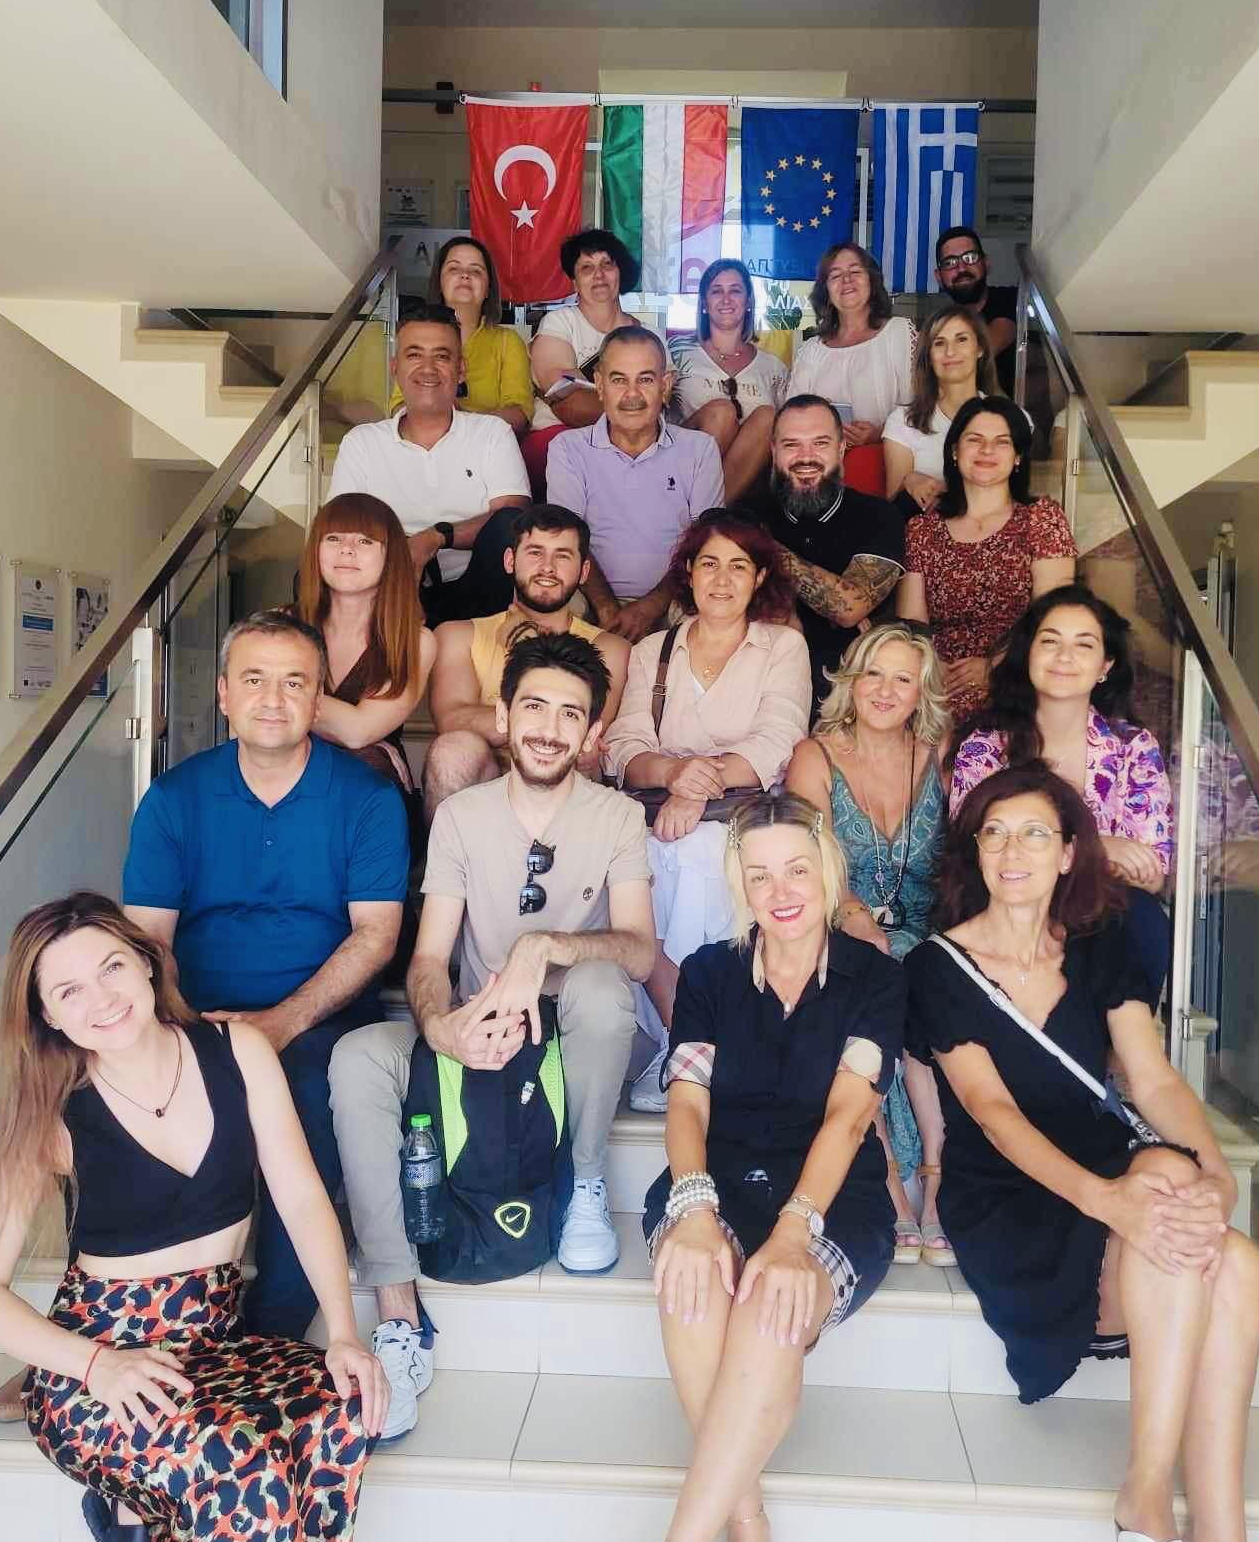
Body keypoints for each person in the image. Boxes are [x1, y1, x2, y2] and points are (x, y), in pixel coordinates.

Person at [905, 766, 1259, 1542]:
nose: (1012, 851)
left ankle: (1204, 1536)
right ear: (975, 853)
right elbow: (993, 1115)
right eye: (994, 834)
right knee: (1191, 1235)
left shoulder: (1098, 946)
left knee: (1227, 1248)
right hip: (1013, 1192)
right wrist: (1115, 1202)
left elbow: (1154, 1077)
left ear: (1068, 854)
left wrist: (1213, 1172)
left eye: (1034, 834)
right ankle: (1172, 1514)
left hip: (1111, 1160)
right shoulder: (937, 967)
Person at [0, 894, 387, 1542]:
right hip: (99, 1365)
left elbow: (302, 1196)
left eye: (111, 967)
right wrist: (97, 1366)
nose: (101, 998)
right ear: (47, 1017)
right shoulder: (53, 1109)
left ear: (148, 964)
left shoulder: (237, 1052)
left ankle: (146, 1515)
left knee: (335, 1405)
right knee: (241, 1473)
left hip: (210, 1346)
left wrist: (343, 1329)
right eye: (67, 991)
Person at [572, 796, 899, 1542]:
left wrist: (795, 1230)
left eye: (796, 868)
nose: (780, 890)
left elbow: (850, 1115)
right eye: (759, 874)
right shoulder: (713, 972)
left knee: (770, 1312)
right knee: (695, 1281)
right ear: (738, 885)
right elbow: (687, 1103)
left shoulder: (875, 979)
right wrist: (694, 1206)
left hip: (832, 1198)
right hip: (715, 1182)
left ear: (826, 871)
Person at [330, 633, 655, 1428]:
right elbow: (428, 958)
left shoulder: (617, 815)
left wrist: (547, 947)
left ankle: (585, 1184)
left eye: (571, 714)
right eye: (534, 706)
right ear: (503, 717)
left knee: (603, 985)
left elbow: (642, 951)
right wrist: (440, 1026)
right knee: (358, 1056)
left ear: (592, 734)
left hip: (572, 1031)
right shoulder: (462, 816)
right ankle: (397, 1311)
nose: (550, 728)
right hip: (482, 1032)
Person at [123, 610, 408, 1340]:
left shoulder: (368, 799)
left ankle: (268, 1336)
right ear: (223, 693)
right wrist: (183, 1027)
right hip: (196, 1011)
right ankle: (126, 1326)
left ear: (318, 699)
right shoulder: (174, 798)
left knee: (308, 1104)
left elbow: (377, 936)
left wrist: (280, 1024)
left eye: (294, 682)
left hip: (322, 1017)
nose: (273, 699)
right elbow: (148, 941)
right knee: (139, 1094)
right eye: (253, 680)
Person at [602, 511, 810, 1109]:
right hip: (655, 811)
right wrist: (673, 776)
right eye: (709, 564)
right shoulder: (653, 650)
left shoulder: (781, 646)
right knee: (640, 862)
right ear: (688, 573)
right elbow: (624, 744)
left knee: (697, 855)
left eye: (738, 566)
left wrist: (697, 787)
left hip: (747, 814)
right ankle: (685, 1040)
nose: (722, 579)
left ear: (759, 577)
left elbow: (778, 739)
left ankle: (695, 1042)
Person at [786, 624, 952, 1262]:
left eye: (903, 679)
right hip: (840, 924)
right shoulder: (815, 755)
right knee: (869, 981)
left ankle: (937, 1174)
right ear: (850, 681)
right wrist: (852, 912)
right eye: (873, 674)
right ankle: (887, 1177)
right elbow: (808, 860)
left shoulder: (939, 752)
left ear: (921, 692)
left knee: (930, 974)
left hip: (930, 931)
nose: (885, 690)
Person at [949, 584, 1175, 999]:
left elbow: (1150, 869)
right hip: (1006, 910)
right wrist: (1097, 847)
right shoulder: (985, 746)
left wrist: (1050, 853)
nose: (1064, 657)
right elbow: (972, 847)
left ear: (1105, 665)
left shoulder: (1132, 746)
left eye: (1084, 645)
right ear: (1028, 655)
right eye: (1050, 642)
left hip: (1102, 918)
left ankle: (1119, 1036)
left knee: (1140, 917)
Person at [424, 502, 630, 816]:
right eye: (535, 552)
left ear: (584, 571)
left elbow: (586, 734)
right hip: (485, 782)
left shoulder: (610, 648)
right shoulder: (457, 635)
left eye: (562, 555)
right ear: (510, 560)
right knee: (453, 751)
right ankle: (454, 851)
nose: (547, 567)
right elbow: (452, 720)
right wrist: (551, 722)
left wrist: (529, 646)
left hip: (564, 786)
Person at [328, 309, 531, 627]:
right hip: (385, 586)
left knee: (510, 526)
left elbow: (512, 517)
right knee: (316, 572)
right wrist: (402, 558)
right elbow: (341, 526)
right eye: (414, 355)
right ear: (395, 369)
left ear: (460, 370)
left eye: (441, 356)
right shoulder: (362, 442)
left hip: (476, 588)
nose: (427, 368)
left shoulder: (492, 433)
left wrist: (434, 538)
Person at [896, 396, 1076, 723]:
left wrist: (993, 667)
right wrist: (932, 671)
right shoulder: (923, 528)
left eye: (1002, 442)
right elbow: (912, 624)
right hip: (937, 680)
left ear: (1018, 456)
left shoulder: (1041, 518)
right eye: (974, 440)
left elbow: (1053, 615)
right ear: (955, 451)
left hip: (1018, 674)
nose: (986, 450)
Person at [546, 324, 725, 643]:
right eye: (619, 380)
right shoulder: (568, 448)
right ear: (599, 385)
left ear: (665, 385)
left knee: (714, 609)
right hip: (589, 596)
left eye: (645, 379)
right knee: (547, 605)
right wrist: (606, 609)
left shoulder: (700, 449)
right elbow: (566, 538)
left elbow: (705, 543)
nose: (632, 395)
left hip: (674, 597)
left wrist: (650, 607)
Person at [743, 394, 905, 711]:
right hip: (759, 680)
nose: (806, 457)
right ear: (773, 451)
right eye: (791, 445)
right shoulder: (749, 512)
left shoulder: (878, 515)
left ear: (841, 448)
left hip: (849, 686)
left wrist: (759, 547)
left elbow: (849, 606)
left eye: (820, 443)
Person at [297, 492, 435, 861]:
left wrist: (282, 695)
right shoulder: (282, 625)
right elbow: (246, 717)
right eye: (334, 538)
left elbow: (359, 732)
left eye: (364, 541)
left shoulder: (415, 641)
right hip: (286, 769)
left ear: (391, 556)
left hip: (371, 781)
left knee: (361, 763)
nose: (347, 550)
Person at [384, 235, 533, 433]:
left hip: (487, 446)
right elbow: (398, 407)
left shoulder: (508, 341)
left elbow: (519, 413)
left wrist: (460, 420)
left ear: (488, 289)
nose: (465, 276)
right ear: (439, 282)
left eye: (475, 271)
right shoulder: (415, 335)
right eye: (454, 269)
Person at [670, 259, 788, 502]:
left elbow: (789, 429)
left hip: (749, 481)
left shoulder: (773, 367)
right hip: (681, 470)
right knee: (722, 413)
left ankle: (709, 513)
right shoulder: (677, 351)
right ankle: (701, 509)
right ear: (704, 304)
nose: (726, 299)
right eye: (716, 291)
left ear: (748, 302)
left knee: (768, 417)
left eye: (735, 290)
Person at [784, 243, 915, 445]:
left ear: (872, 281)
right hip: (821, 460)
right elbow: (791, 419)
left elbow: (922, 408)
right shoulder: (811, 350)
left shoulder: (900, 332)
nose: (846, 280)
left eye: (855, 271)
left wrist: (880, 433)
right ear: (826, 291)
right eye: (835, 275)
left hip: (886, 457)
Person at [881, 303, 1001, 515]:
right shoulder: (902, 421)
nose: (950, 352)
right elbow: (894, 509)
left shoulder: (1008, 417)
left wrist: (946, 490)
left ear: (980, 348)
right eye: (939, 343)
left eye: (961, 339)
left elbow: (1015, 494)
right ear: (928, 355)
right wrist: (909, 482)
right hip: (925, 529)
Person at [529, 227, 643, 434]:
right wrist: (635, 405)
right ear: (575, 283)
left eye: (607, 264)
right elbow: (570, 402)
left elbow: (662, 400)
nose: (599, 275)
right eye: (587, 268)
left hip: (632, 440)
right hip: (558, 434)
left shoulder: (649, 335)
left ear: (620, 272)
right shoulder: (558, 323)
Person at [933, 224, 1019, 393]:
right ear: (939, 276)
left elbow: (995, 339)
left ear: (986, 263)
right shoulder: (942, 322)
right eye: (950, 262)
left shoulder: (1011, 298)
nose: (961, 268)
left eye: (970, 257)